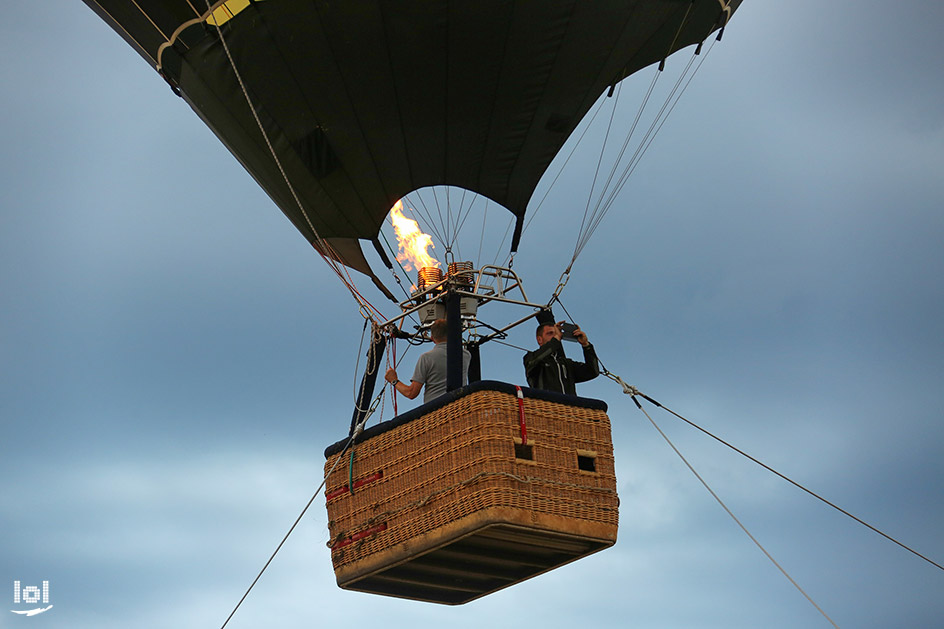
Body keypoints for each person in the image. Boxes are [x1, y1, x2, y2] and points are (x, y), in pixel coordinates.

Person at [385, 318, 471, 404]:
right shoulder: (466, 355)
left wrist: (394, 380)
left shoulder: (426, 358)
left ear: (432, 338)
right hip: (459, 408)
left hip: (435, 412)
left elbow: (411, 393)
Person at [523, 320, 599, 395]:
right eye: (550, 333)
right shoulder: (530, 357)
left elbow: (593, 371)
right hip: (545, 405)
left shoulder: (566, 363)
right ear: (539, 339)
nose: (555, 335)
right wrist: (555, 339)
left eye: (556, 333)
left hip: (569, 406)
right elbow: (534, 360)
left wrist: (586, 345)